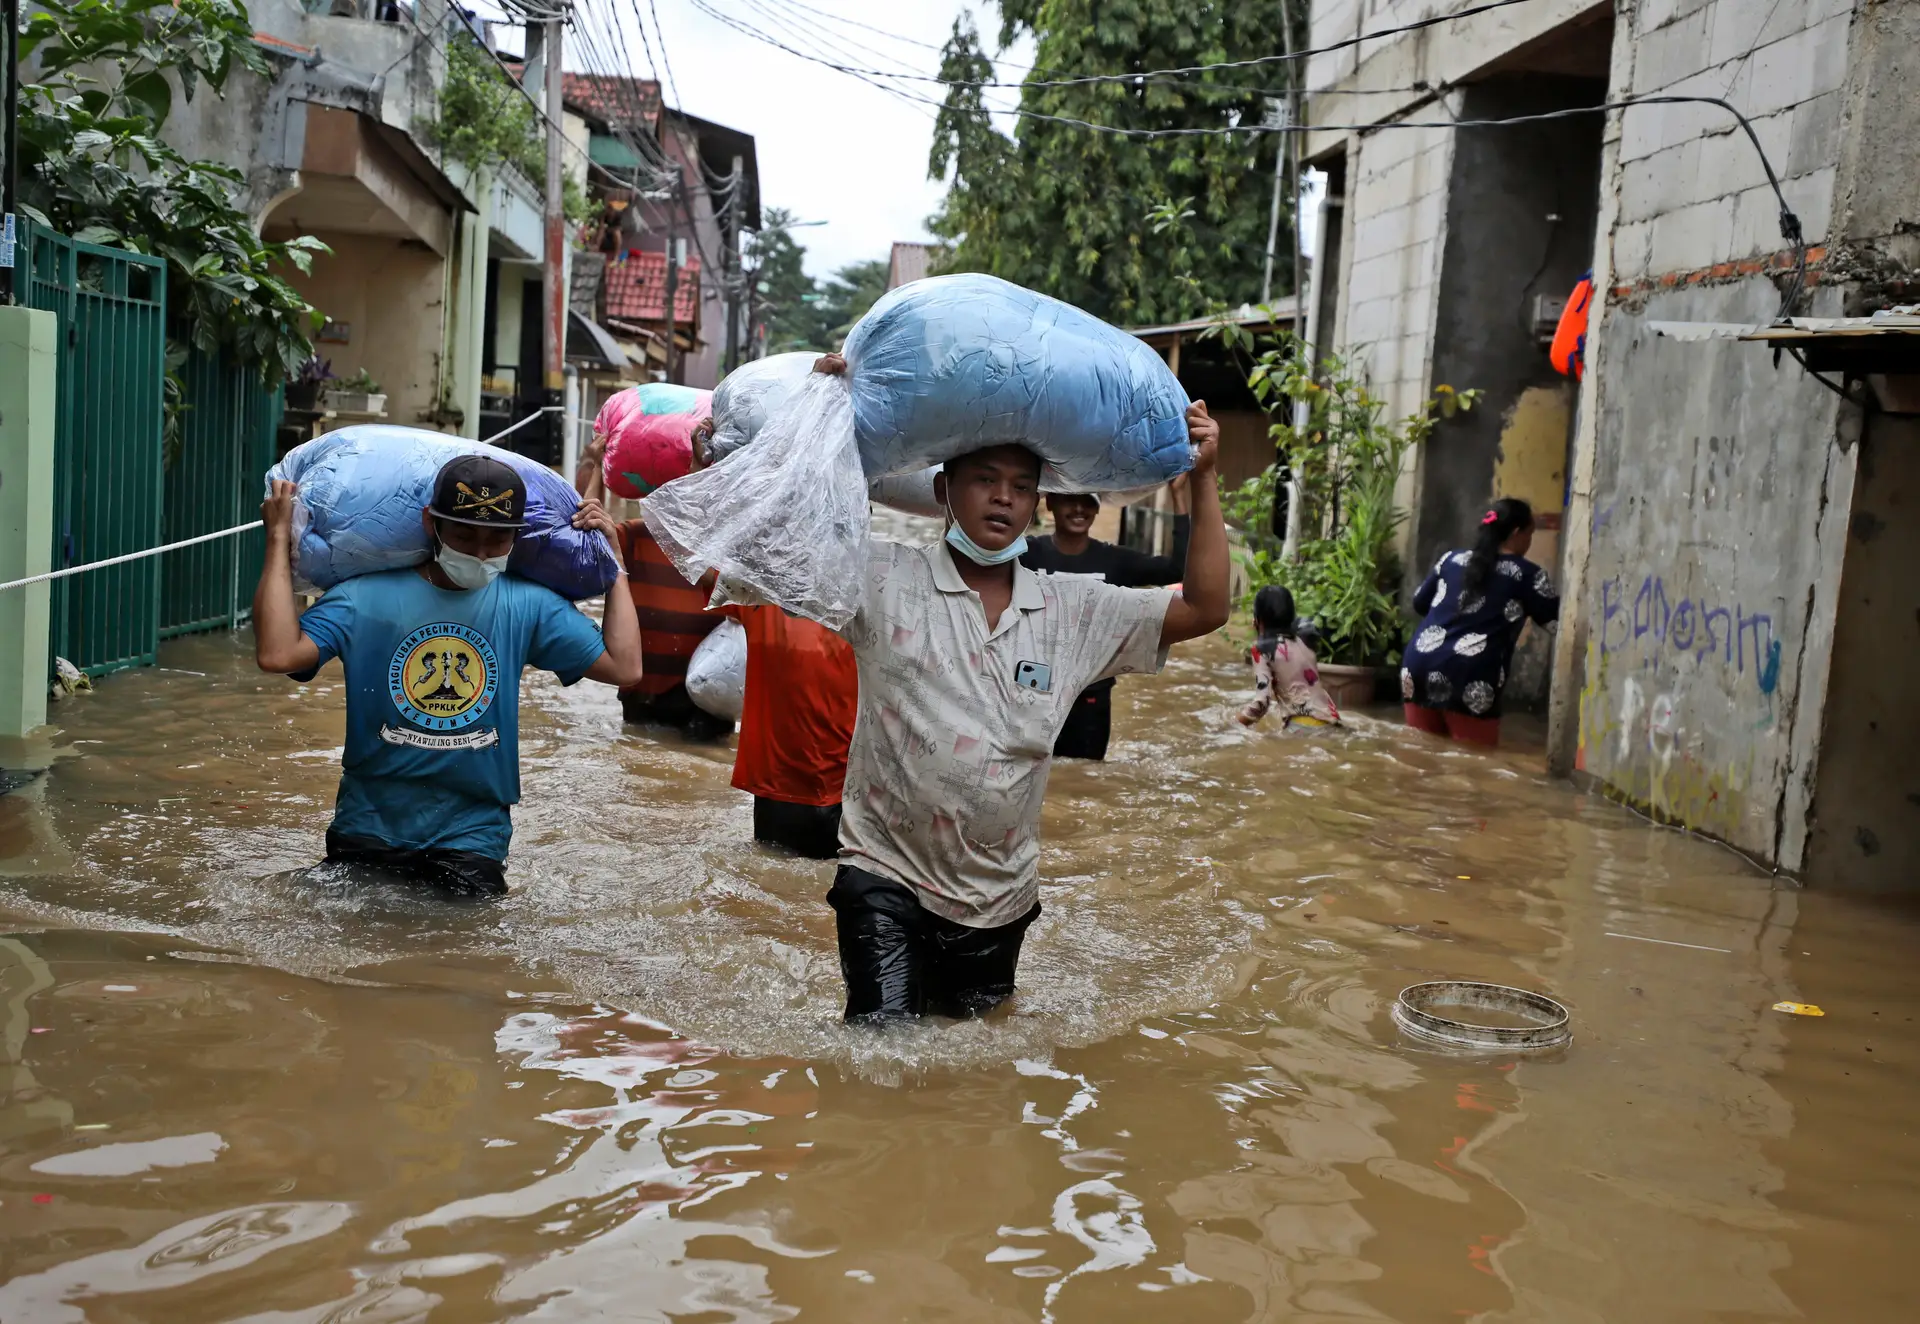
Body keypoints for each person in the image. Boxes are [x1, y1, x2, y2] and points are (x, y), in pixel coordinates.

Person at [810, 352, 1230, 1024]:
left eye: (1020, 485)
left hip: (996, 904)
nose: (1003, 497)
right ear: (944, 491)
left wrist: (1203, 480)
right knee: (877, 1057)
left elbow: (1207, 607)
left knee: (973, 1085)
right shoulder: (882, 579)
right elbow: (789, 537)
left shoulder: (1075, 611)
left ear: (1037, 504)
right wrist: (828, 415)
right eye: (984, 480)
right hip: (882, 876)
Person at [253, 454, 644, 895]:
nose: (480, 553)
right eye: (464, 534)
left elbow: (624, 666)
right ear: (430, 524)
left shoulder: (529, 606)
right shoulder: (363, 599)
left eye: (496, 540)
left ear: (517, 538)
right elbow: (278, 653)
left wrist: (614, 565)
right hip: (368, 826)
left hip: (472, 838)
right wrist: (278, 538)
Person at [576, 419, 731, 738]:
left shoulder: (718, 545)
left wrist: (700, 460)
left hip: (708, 702)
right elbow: (583, 538)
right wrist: (594, 466)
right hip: (643, 698)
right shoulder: (632, 537)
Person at [1019, 485, 1190, 759]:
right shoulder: (1026, 555)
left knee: (1086, 779)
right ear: (1049, 502)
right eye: (1069, 500)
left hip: (1092, 697)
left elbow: (1177, 569)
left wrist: (1179, 495)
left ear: (1098, 508)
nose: (1078, 509)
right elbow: (979, 559)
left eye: (1088, 501)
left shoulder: (1115, 561)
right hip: (1034, 692)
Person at [1402, 497, 1559, 748]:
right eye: (1530, 534)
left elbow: (1420, 603)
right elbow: (1558, 624)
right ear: (1517, 533)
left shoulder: (1450, 559)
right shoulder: (1529, 575)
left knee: (1420, 756)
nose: (1530, 542)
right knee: (1473, 766)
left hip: (1418, 664)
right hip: (1471, 674)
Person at [721, 603, 858, 859]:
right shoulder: (868, 591)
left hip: (799, 788)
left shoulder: (759, 590)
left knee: (772, 880)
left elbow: (702, 569)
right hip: (842, 786)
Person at [1237, 586, 1341, 730]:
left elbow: (1261, 703)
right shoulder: (1305, 641)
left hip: (1303, 727)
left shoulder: (1261, 650)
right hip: (1332, 722)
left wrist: (1235, 724)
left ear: (1258, 619)